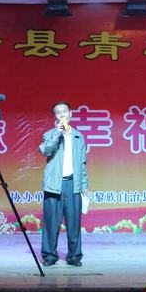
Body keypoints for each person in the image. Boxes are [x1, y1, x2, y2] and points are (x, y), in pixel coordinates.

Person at [38, 101, 88, 267]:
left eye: (64, 111)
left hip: (73, 184)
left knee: (74, 224)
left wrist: (84, 184)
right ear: (55, 116)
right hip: (54, 185)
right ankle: (49, 256)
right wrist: (57, 134)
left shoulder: (78, 137)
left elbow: (82, 163)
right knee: (51, 224)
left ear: (70, 114)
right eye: (58, 112)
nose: (62, 115)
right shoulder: (49, 134)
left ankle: (74, 257)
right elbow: (45, 150)